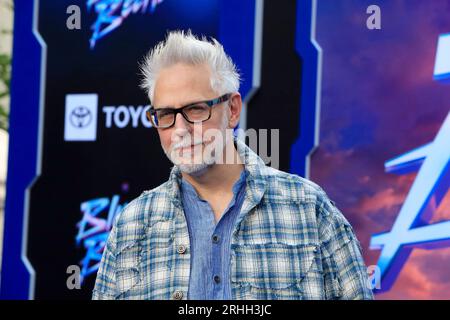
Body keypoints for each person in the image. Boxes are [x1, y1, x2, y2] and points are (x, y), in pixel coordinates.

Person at [92, 30, 374, 300]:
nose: (180, 129)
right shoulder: (132, 223)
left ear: (233, 109)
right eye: (166, 114)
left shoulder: (309, 208)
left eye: (196, 109)